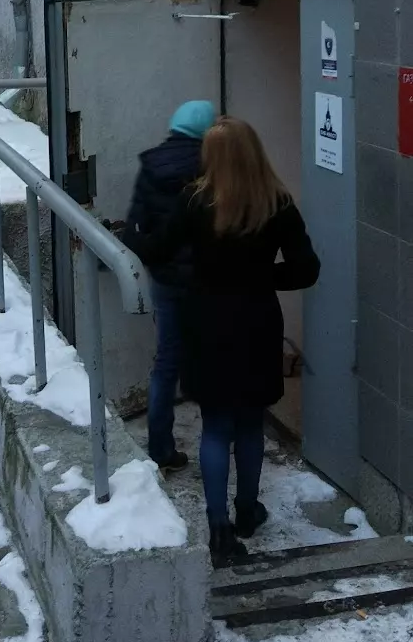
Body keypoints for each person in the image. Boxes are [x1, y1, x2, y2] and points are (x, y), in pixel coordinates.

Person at [123, 117, 320, 567]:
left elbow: (156, 249)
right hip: (256, 321)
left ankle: (218, 532)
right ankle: (247, 511)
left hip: (205, 321)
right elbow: (307, 269)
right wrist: (261, 275)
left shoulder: (195, 201)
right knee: (250, 423)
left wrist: (130, 234)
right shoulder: (279, 203)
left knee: (215, 427)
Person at [124, 99, 216, 474]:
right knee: (213, 359)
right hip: (210, 281)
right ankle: (217, 441)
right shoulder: (214, 166)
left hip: (166, 279)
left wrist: (154, 257)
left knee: (166, 363)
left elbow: (135, 225)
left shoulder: (151, 165)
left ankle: (161, 449)